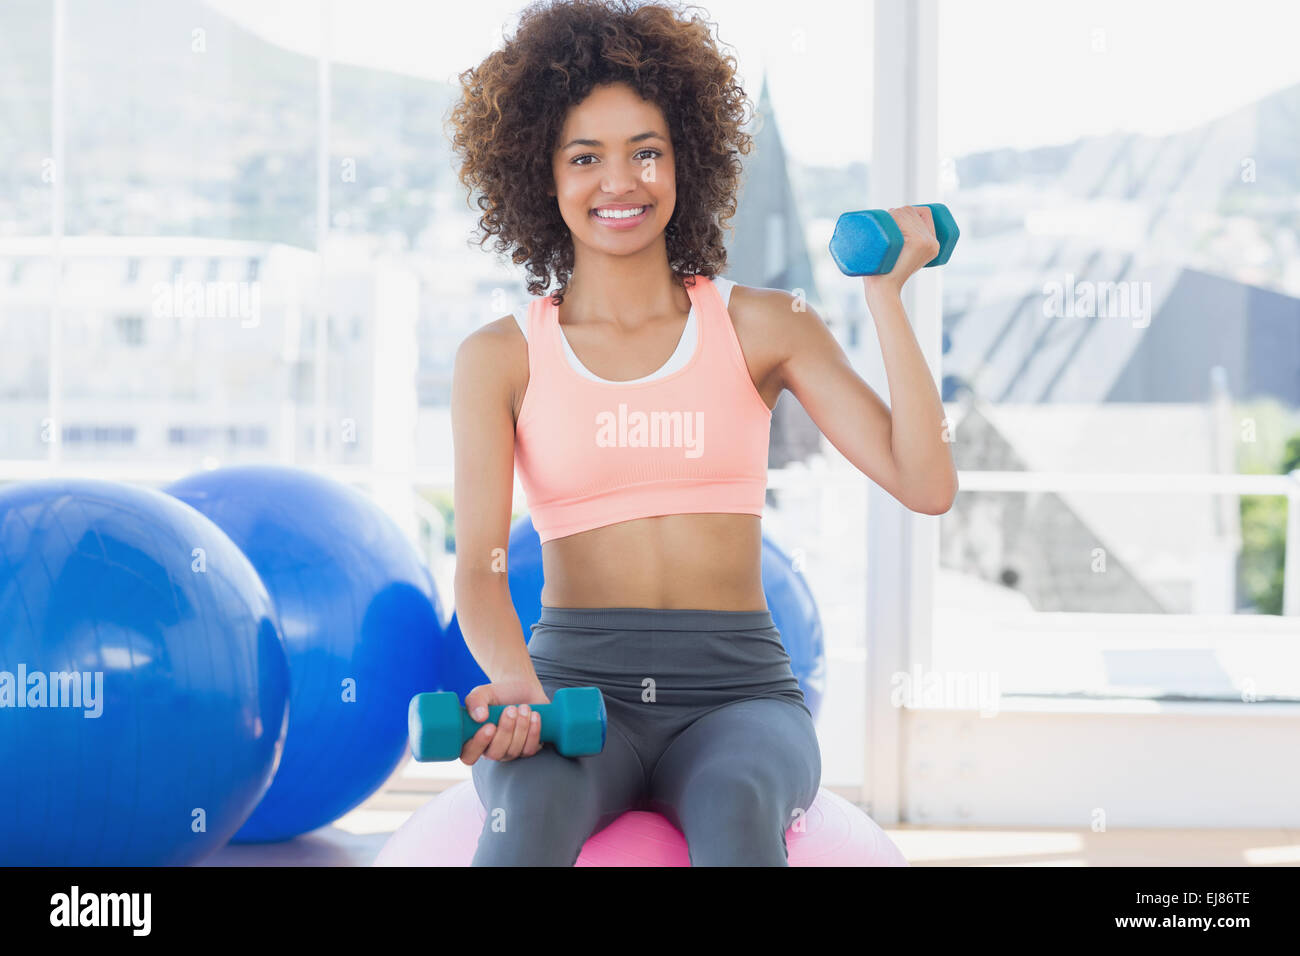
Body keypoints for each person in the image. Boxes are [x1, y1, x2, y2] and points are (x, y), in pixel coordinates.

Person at [446, 0, 957, 866]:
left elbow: (925, 481)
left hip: (740, 697)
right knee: (526, 812)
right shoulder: (499, 357)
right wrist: (523, 692)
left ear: (686, 159)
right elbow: (480, 573)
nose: (621, 182)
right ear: (542, 174)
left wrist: (887, 300)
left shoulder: (766, 326)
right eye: (585, 158)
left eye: (647, 151)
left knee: (735, 801)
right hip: (574, 690)